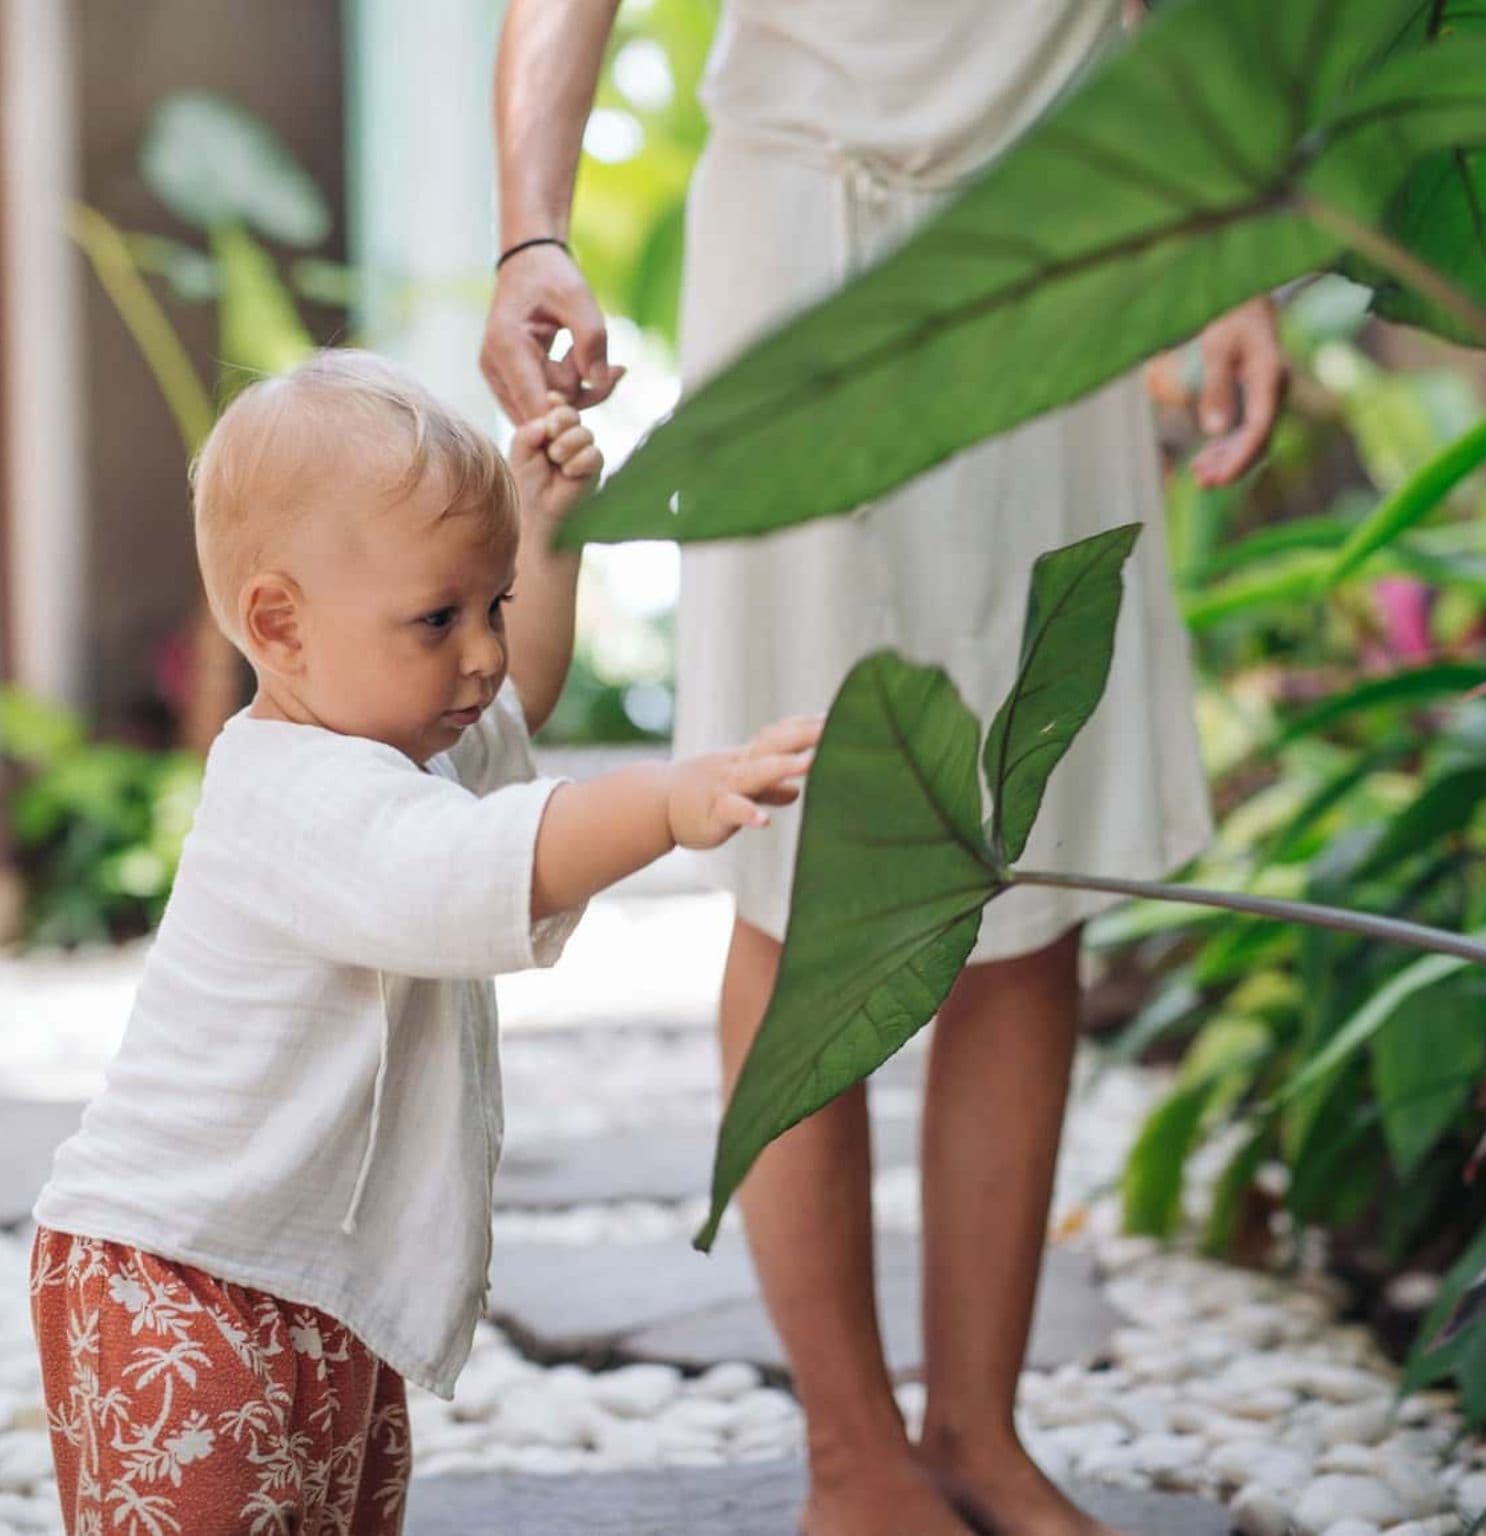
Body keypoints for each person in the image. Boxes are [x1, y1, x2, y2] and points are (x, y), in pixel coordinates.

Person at [484, 6, 1287, 1534]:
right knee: (801, 861)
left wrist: (1238, 244)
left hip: (1075, 225)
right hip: (806, 232)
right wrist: (533, 230)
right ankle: (851, 1463)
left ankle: (977, 1433)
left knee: (1032, 864)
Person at [27, 350, 819, 1536]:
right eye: (439, 618)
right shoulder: (290, 793)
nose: (485, 651)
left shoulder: (411, 744)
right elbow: (468, 874)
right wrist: (661, 802)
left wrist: (548, 534)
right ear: (280, 626)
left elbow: (521, 704)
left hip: (316, 1283)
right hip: (176, 1279)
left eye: (490, 604)